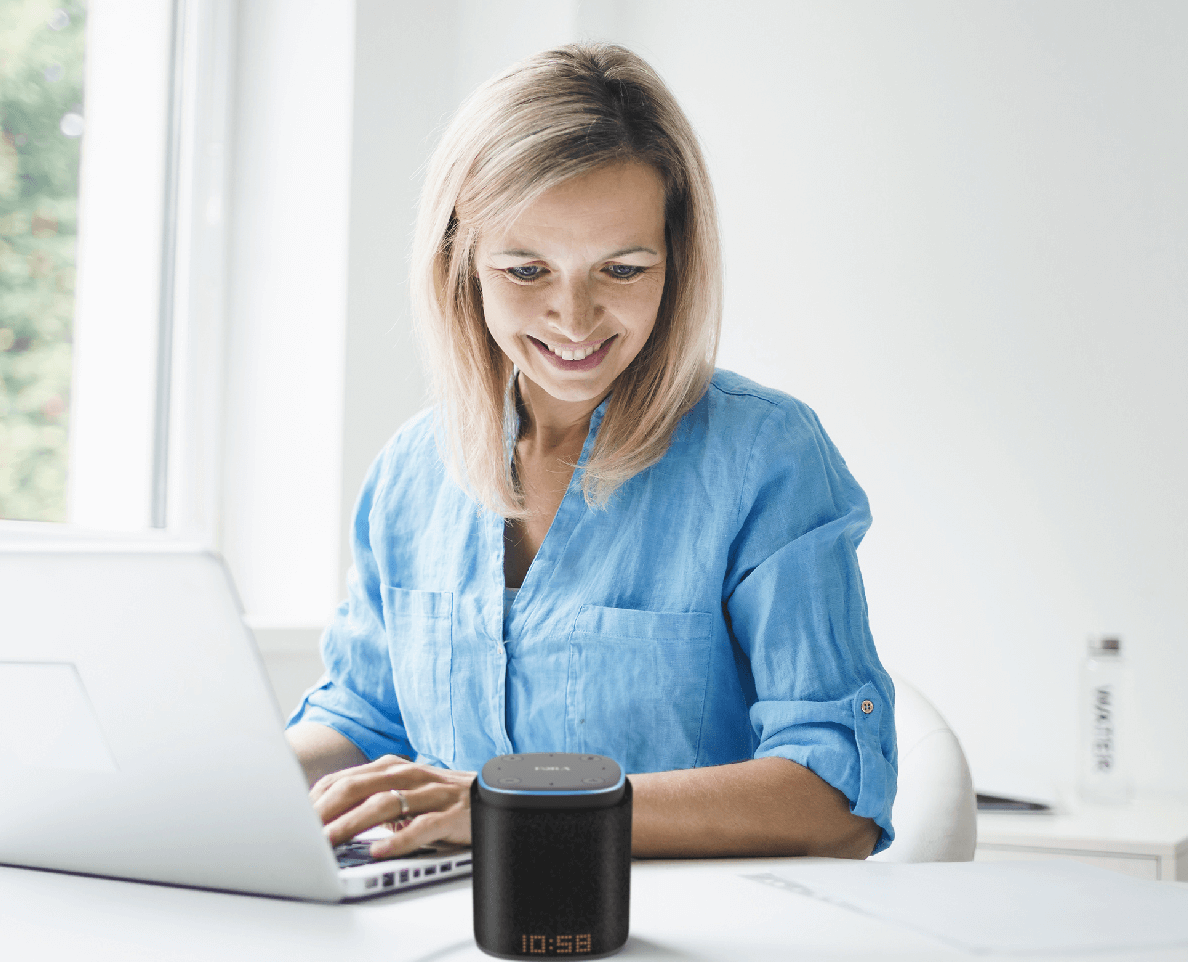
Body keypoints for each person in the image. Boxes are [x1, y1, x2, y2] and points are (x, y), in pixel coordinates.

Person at [283, 43, 894, 861]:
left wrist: (515, 808)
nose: (574, 318)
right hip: (441, 934)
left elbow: (835, 797)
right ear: (463, 261)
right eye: (527, 268)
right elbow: (364, 719)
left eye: (622, 268)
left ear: (675, 263)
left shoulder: (765, 459)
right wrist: (220, 787)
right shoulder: (410, 471)